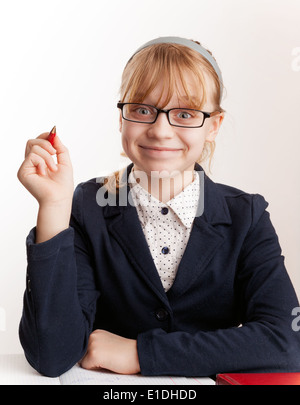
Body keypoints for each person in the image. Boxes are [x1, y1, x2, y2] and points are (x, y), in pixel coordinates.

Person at [17, 36, 300, 378]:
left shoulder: (247, 216)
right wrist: (54, 206)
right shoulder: (86, 206)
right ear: (121, 117)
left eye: (184, 113)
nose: (160, 131)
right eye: (143, 110)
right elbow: (51, 355)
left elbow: (286, 342)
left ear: (214, 126)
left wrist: (139, 353)